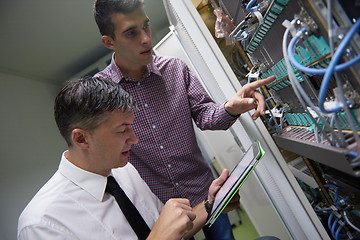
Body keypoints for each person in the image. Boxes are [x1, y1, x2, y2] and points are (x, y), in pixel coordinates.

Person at [93, 0, 276, 239]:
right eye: (131, 33)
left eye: (145, 27)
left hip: (204, 193)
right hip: (158, 211)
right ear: (110, 42)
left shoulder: (175, 70)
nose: (146, 38)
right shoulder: (100, 94)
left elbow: (205, 116)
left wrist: (231, 108)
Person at [17, 76, 240, 240]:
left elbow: (171, 230)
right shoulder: (43, 224)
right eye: (123, 130)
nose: (133, 139)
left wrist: (212, 204)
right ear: (81, 139)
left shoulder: (124, 169)